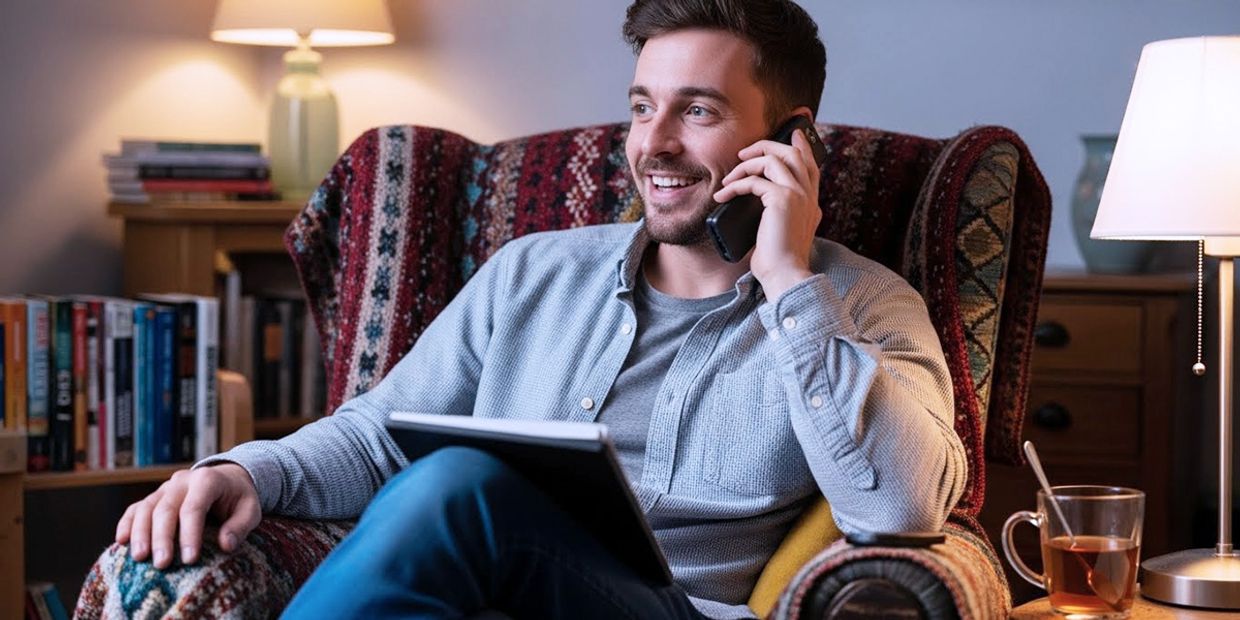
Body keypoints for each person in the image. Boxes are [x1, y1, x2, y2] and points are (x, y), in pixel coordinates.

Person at [113, 0, 966, 617]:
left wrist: (786, 281)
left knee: (458, 482)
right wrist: (242, 473)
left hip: (669, 610)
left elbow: (899, 508)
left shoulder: (863, 305)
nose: (654, 144)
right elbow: (379, 436)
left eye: (698, 110)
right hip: (478, 595)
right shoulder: (533, 271)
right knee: (443, 482)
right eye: (643, 107)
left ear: (790, 140)